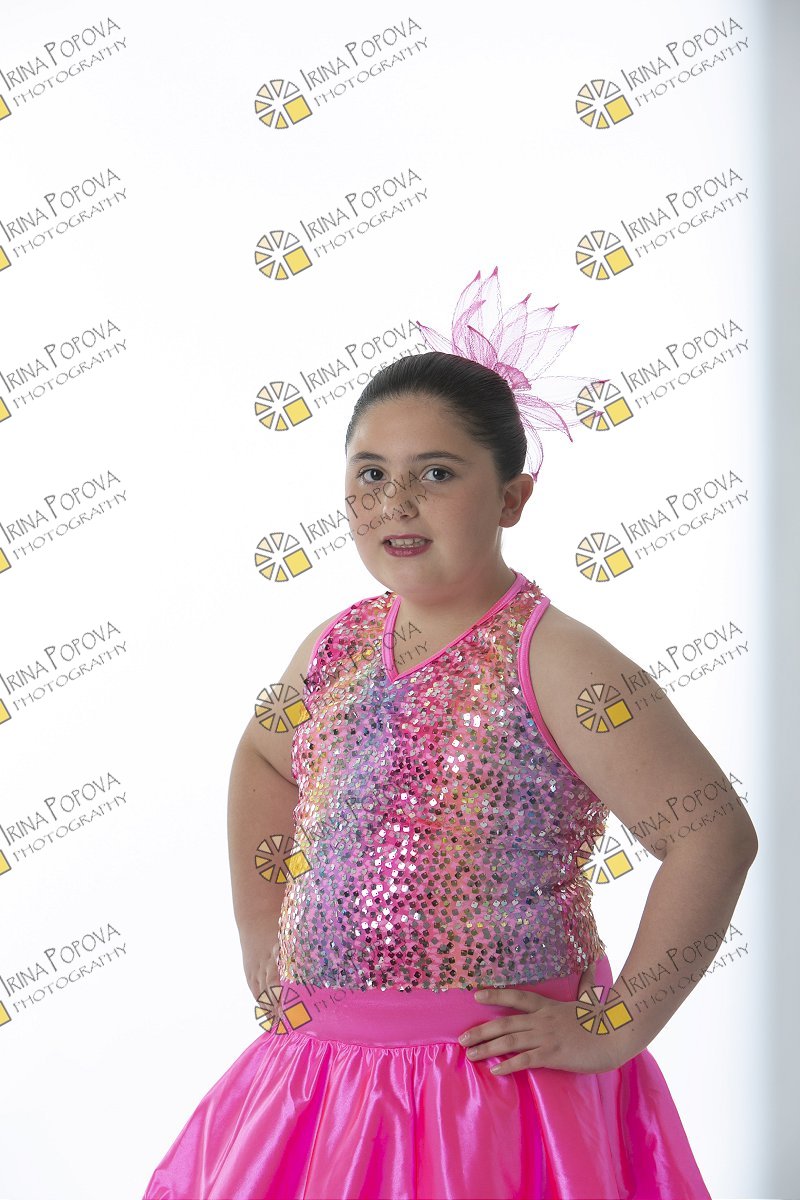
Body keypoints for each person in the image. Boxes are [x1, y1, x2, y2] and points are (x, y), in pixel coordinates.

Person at [143, 270, 758, 1199]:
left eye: (436, 473)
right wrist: (261, 930)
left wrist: (619, 1022)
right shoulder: (335, 645)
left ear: (512, 498)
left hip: (490, 1087)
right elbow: (264, 758)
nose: (397, 501)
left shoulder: (558, 660)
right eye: (371, 474)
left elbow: (711, 832)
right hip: (323, 1076)